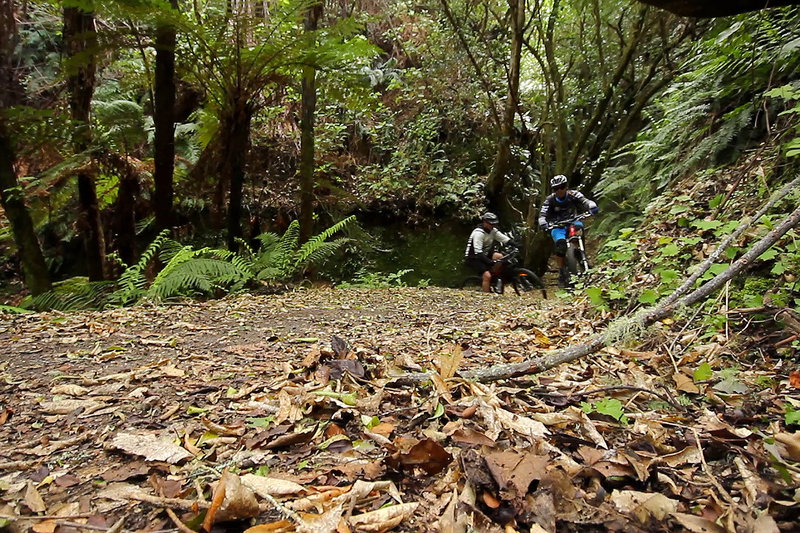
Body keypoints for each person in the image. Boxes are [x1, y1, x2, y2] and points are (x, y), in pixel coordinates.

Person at [538, 174, 598, 287]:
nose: (560, 190)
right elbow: (543, 213)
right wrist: (543, 222)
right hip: (557, 226)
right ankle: (561, 271)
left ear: (566, 186)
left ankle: (582, 255)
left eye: (562, 186)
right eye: (556, 188)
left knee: (579, 230)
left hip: (573, 221)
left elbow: (584, 200)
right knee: (560, 246)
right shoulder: (550, 200)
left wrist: (591, 205)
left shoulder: (573, 194)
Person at [465, 212, 511, 293]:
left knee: (499, 256)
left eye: (494, 224)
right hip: (474, 257)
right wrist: (489, 262)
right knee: (487, 276)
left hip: (485, 254)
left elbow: (504, 239)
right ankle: (487, 295)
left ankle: (495, 277)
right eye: (491, 224)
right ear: (485, 223)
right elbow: (478, 252)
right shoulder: (479, 233)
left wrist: (515, 244)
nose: (492, 226)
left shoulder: (493, 231)